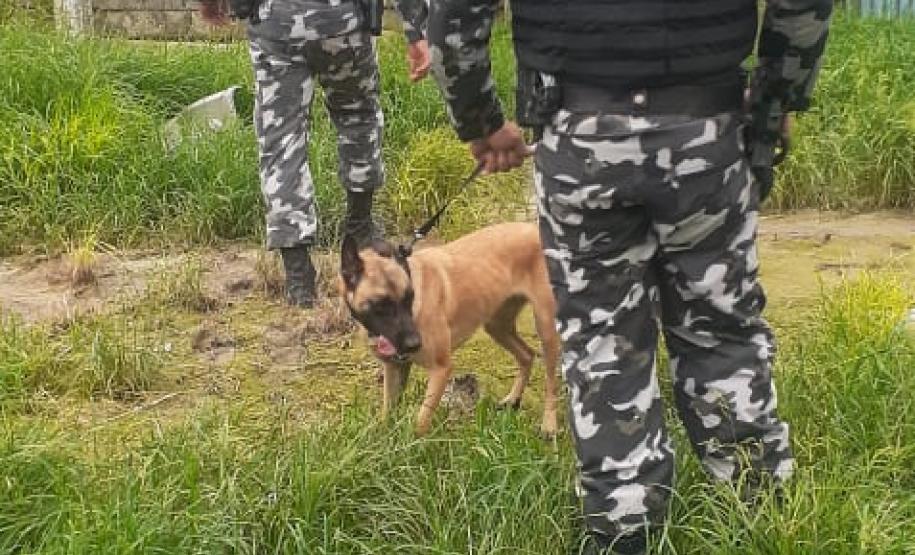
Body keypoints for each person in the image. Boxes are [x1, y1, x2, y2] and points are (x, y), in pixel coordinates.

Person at [425, 0, 832, 553]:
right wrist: (776, 97)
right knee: (722, 336)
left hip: (581, 138)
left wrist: (480, 120)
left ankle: (624, 532)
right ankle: (761, 522)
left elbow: (455, 11)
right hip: (706, 133)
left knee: (602, 344)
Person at [199, 0, 430, 307]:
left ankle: (298, 276)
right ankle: (361, 228)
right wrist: (417, 32)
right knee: (358, 117)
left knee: (281, 141)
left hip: (276, 24)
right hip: (343, 21)